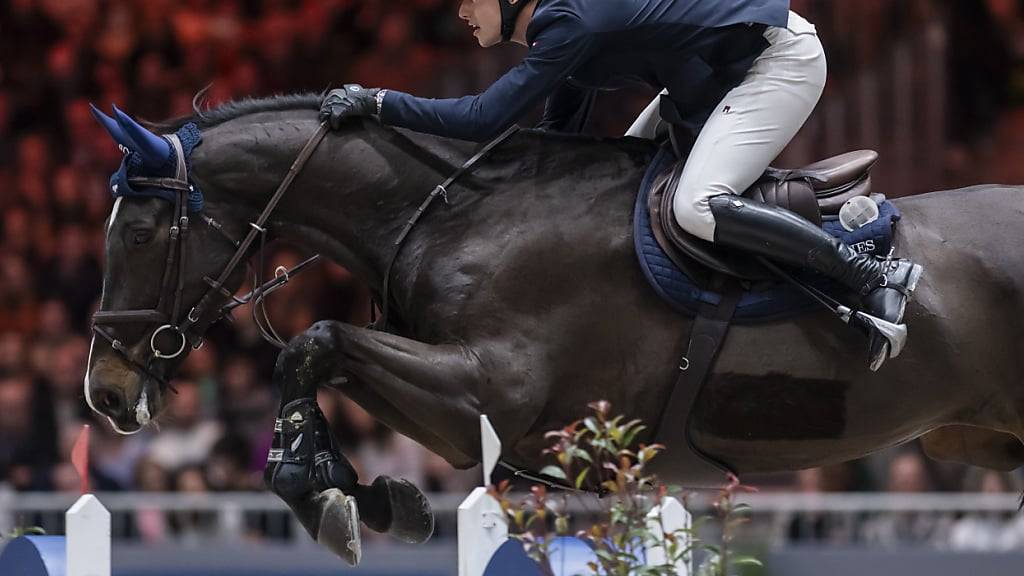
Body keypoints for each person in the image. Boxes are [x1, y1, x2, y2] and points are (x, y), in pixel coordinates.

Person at [320, 0, 922, 370]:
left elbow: (482, 118)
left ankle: (871, 275)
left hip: (776, 61)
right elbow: (558, 139)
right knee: (616, 191)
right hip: (711, 76)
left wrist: (378, 102)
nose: (460, 12)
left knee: (695, 207)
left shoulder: (572, 23)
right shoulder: (560, 30)